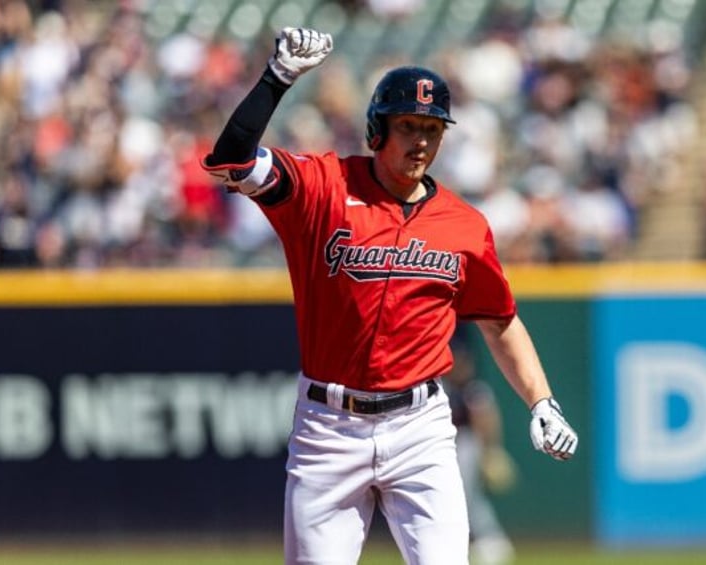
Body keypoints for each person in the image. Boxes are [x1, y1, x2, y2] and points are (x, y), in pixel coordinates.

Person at [202, 26, 578, 565]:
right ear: (378, 129)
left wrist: (541, 400)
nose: (421, 140)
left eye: (432, 128)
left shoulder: (465, 226)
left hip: (420, 427)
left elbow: (500, 321)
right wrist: (277, 78)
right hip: (328, 428)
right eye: (407, 125)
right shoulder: (322, 186)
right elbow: (230, 160)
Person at [444, 334, 517, 565]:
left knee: (468, 497)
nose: (461, 364)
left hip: (465, 443)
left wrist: (491, 451)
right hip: (443, 444)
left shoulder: (472, 388)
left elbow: (485, 418)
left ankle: (492, 543)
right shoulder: (440, 385)